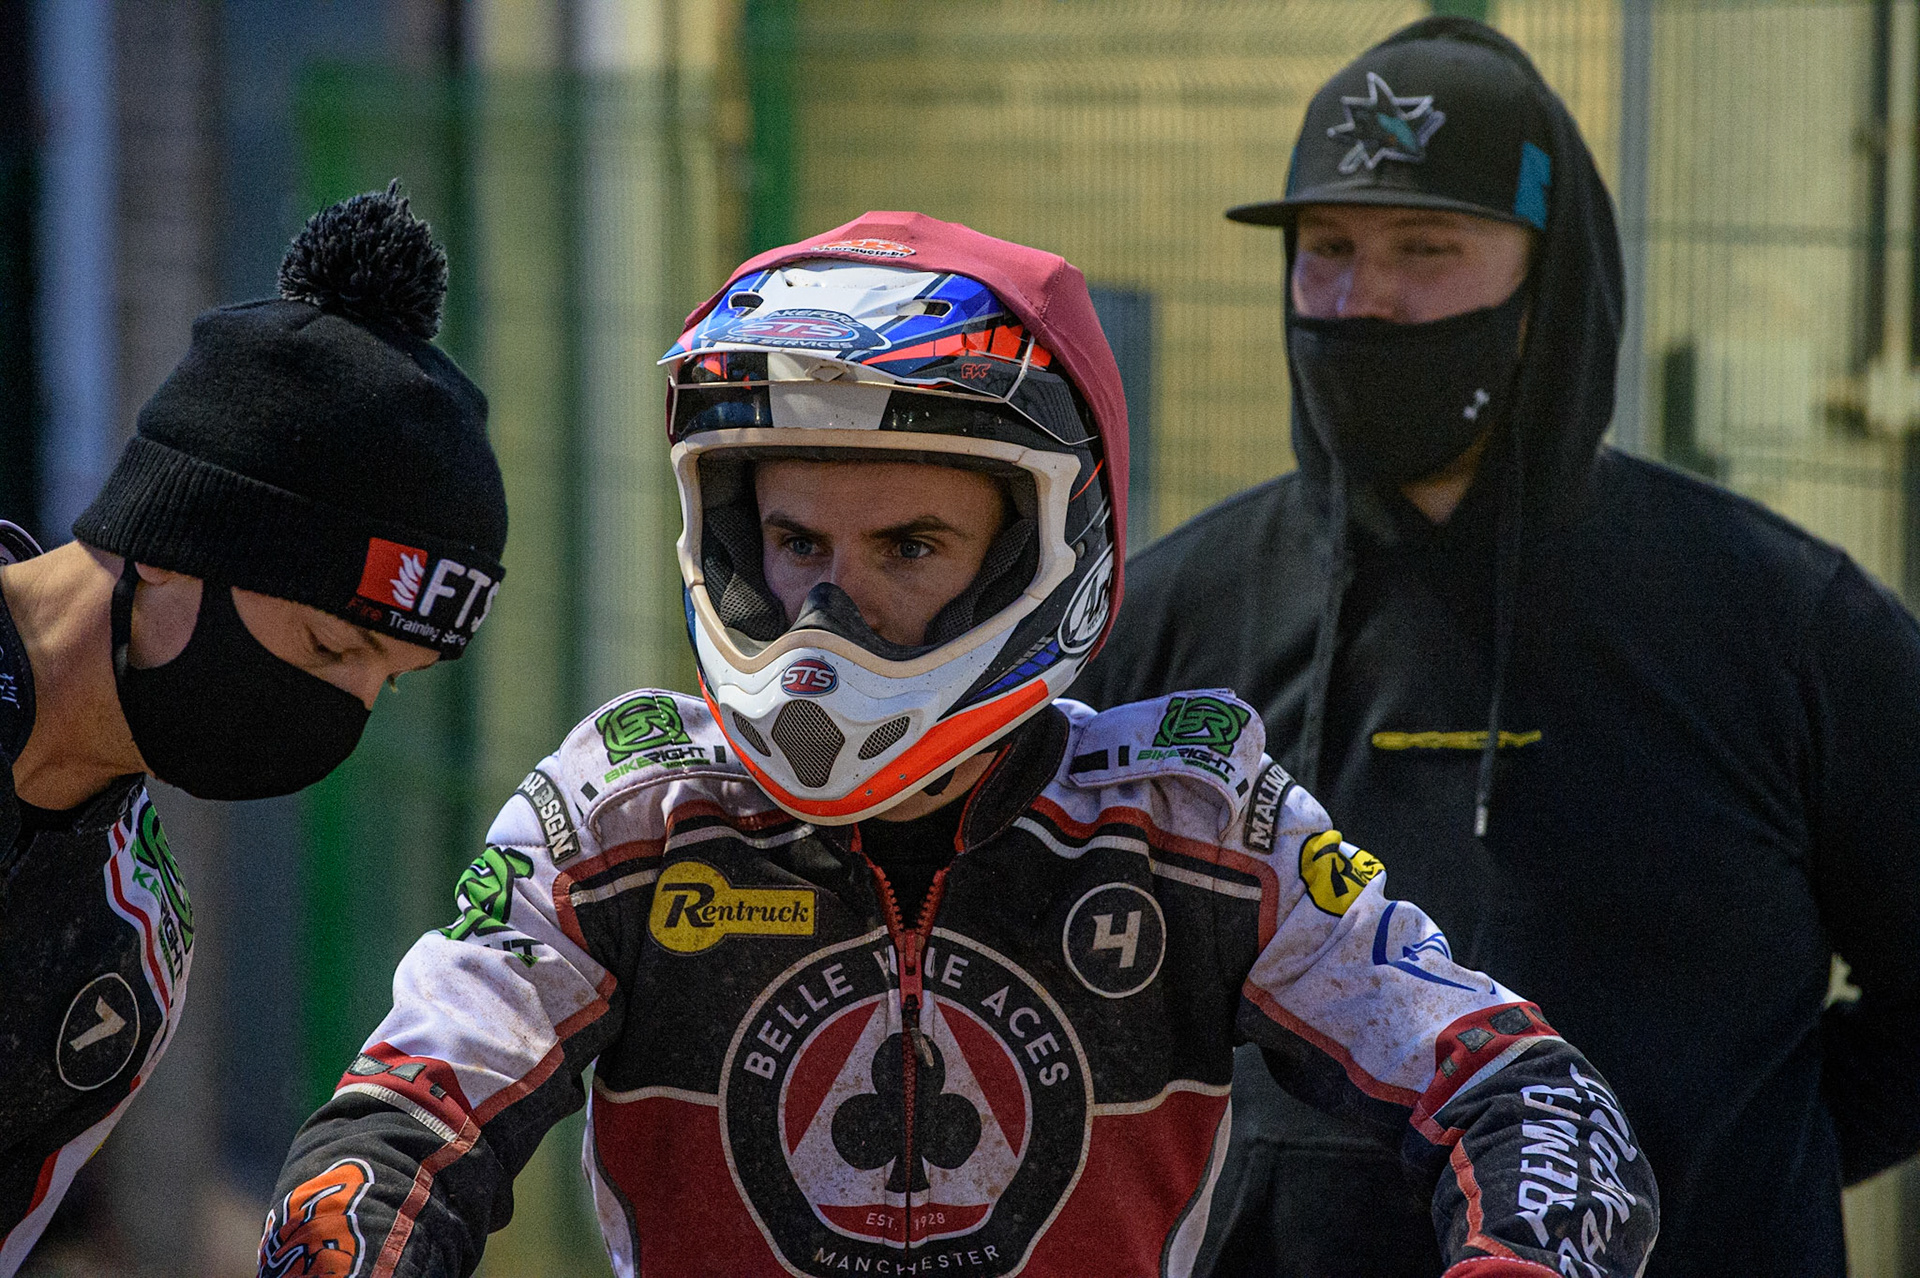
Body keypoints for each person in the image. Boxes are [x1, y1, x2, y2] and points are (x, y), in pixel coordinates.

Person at [257, 212, 1655, 1278]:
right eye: (795, 540)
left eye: (908, 545)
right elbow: (401, 1119)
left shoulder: (1193, 815)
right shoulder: (624, 810)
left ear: (1049, 553)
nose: (829, 604)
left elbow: (1522, 1085)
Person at [1078, 15, 1920, 1278]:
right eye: (1328, 251)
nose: (1364, 299)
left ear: (1549, 285)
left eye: (1428, 250)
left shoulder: (1783, 622)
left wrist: (1740, 1160)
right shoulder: (1168, 627)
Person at [0, 184, 508, 1271]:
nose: (348, 711)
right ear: (181, 535)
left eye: (393, 678)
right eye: (333, 650)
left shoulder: (125, 958)